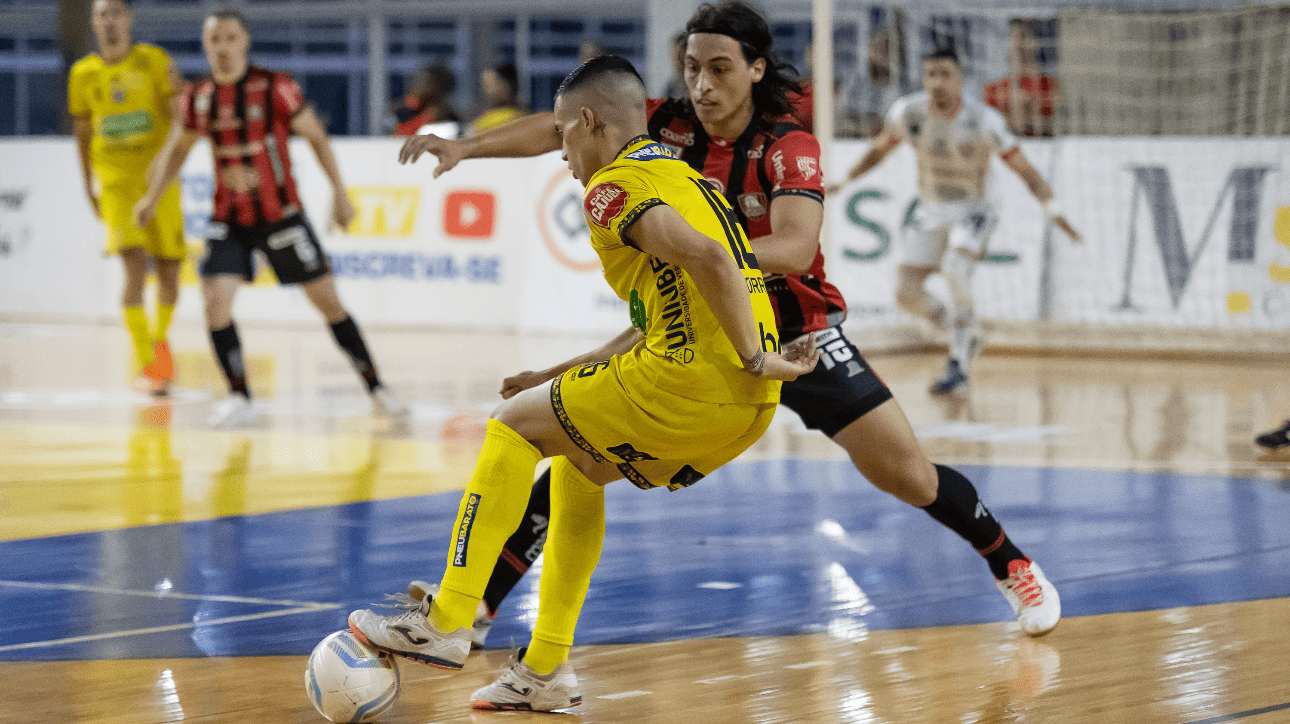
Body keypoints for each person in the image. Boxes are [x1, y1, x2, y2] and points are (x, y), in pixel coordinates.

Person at [398, 0, 1063, 659]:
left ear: (755, 70)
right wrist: (464, 147)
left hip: (797, 335)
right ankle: (480, 608)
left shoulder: (788, 145)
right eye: (691, 68)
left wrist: (704, 250)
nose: (701, 84)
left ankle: (1010, 562)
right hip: (698, 331)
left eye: (719, 69)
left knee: (909, 475)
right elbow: (565, 124)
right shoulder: (665, 127)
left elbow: (796, 248)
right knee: (567, 448)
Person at [347, 55, 818, 712]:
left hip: (695, 382)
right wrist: (552, 377)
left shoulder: (610, 190)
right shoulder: (686, 179)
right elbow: (684, 297)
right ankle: (543, 671)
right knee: (578, 463)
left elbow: (707, 257)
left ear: (589, 123)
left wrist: (752, 355)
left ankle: (448, 621)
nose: (562, 154)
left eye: (565, 135)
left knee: (509, 427)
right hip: (743, 409)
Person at [132, 6, 405, 428]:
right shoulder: (198, 98)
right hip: (228, 219)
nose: (222, 47)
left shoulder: (275, 87)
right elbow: (179, 150)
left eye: (230, 38)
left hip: (282, 215)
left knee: (327, 302)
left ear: (244, 41)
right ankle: (239, 395)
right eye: (214, 40)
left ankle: (376, 387)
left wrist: (339, 194)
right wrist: (151, 197)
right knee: (213, 301)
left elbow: (316, 137)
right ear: (205, 46)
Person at [829, 46, 1081, 395]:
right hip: (930, 210)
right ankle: (965, 331)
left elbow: (1026, 170)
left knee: (955, 268)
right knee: (905, 293)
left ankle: (958, 364)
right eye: (931, 75)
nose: (937, 83)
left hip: (975, 209)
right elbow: (878, 150)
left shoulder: (984, 121)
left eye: (945, 75)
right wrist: (843, 182)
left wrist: (1054, 211)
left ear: (961, 80)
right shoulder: (909, 112)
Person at [69, 0, 184, 396]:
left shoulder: (154, 61)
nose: (110, 22)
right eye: (102, 15)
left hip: (160, 181)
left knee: (169, 270)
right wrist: (89, 186)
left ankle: (160, 344)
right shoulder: (83, 74)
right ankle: (151, 362)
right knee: (133, 269)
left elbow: (179, 118)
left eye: (116, 13)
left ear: (129, 18)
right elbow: (82, 133)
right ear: (94, 22)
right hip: (116, 183)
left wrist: (164, 166)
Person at [983, 20, 1063, 138]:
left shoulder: (1050, 85)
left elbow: (1048, 127)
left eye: (1024, 37)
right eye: (1013, 37)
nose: (1019, 43)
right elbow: (1001, 130)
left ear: (1036, 43)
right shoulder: (992, 89)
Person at [392, 64, 459, 137]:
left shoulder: (436, 113)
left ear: (436, 87)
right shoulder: (410, 109)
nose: (415, 86)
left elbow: (403, 133)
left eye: (422, 82)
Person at [468, 63, 523, 136]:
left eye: (489, 85)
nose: (485, 91)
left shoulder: (512, 118)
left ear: (506, 85)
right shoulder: (485, 118)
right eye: (485, 86)